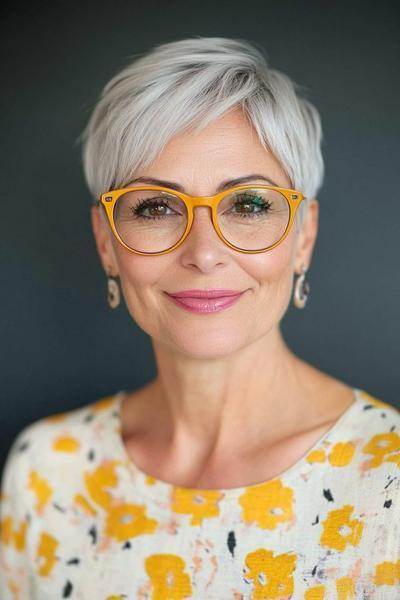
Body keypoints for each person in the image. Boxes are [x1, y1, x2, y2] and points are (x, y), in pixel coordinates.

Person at [0, 36, 399, 600]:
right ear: (107, 244)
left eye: (250, 204)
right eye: (156, 207)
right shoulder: (48, 474)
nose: (204, 252)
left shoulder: (390, 480)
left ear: (303, 237)